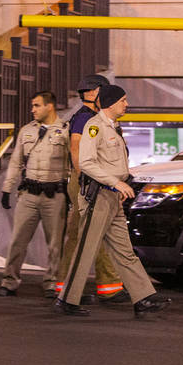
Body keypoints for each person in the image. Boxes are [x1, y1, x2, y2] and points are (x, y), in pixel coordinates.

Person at [55, 84, 170, 317]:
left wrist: (125, 180)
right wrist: (115, 182)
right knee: (86, 249)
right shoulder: (94, 127)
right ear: (110, 103)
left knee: (124, 250)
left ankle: (143, 297)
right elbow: (86, 163)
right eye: (123, 100)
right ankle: (67, 299)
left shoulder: (114, 127)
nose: (126, 104)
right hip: (99, 195)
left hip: (112, 197)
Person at [0, 91, 69, 298]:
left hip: (55, 194)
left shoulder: (66, 131)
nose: (32, 109)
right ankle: (9, 281)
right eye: (33, 106)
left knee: (55, 244)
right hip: (29, 193)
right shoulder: (27, 131)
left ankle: (52, 283)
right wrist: (7, 189)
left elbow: (74, 164)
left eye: (37, 105)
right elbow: (16, 161)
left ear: (49, 106)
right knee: (18, 240)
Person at [56, 74, 125, 303]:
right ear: (95, 92)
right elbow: (77, 149)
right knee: (89, 233)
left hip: (90, 180)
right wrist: (86, 181)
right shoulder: (86, 118)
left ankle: (71, 285)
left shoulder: (90, 117)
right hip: (87, 181)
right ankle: (106, 286)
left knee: (81, 233)